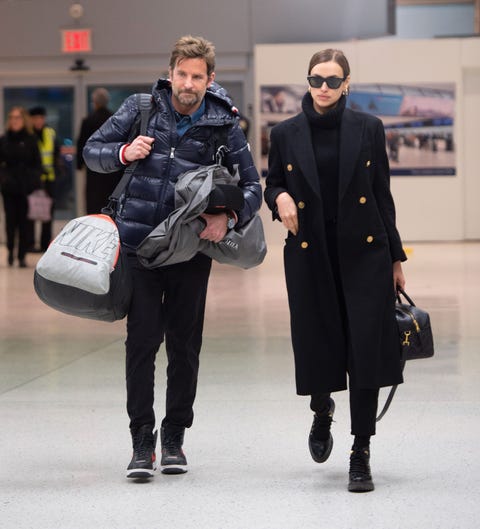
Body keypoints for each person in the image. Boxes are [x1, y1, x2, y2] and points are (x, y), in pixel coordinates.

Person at [83, 35, 262, 479]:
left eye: (197, 76)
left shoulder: (223, 126)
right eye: (181, 74)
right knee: (141, 344)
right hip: (139, 249)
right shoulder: (140, 109)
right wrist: (125, 152)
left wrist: (229, 218)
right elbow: (91, 152)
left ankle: (175, 436)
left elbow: (254, 187)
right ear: (170, 73)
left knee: (185, 346)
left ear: (210, 79)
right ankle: (142, 441)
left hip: (190, 252)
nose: (187, 83)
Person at [264, 49, 407, 493]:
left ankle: (360, 451)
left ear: (347, 83)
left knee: (365, 349)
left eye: (332, 80)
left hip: (365, 254)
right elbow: (274, 183)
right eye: (315, 79)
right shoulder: (285, 133)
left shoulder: (368, 128)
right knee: (318, 340)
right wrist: (279, 199)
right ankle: (322, 407)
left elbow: (381, 193)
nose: (322, 87)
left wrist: (396, 258)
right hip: (311, 253)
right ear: (307, 82)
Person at [0, 106, 42, 267]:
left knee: (25, 222)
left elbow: (37, 164)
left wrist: (32, 179)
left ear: (23, 120)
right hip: (9, 187)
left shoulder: (31, 140)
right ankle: (10, 251)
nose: (14, 121)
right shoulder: (4, 139)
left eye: (17, 118)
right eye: (11, 117)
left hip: (26, 187)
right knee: (10, 221)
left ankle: (22, 255)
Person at [77, 88, 123, 214]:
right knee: (110, 204)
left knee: (94, 204)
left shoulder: (88, 121)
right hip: (112, 169)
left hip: (93, 169)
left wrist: (79, 164)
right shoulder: (115, 120)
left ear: (94, 102)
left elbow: (82, 145)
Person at [28, 106, 62, 252]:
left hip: (49, 179)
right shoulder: (28, 135)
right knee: (30, 212)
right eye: (35, 118)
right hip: (32, 180)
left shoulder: (50, 133)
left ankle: (44, 245)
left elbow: (56, 153)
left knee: (48, 213)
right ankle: (29, 244)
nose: (38, 121)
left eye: (41, 118)